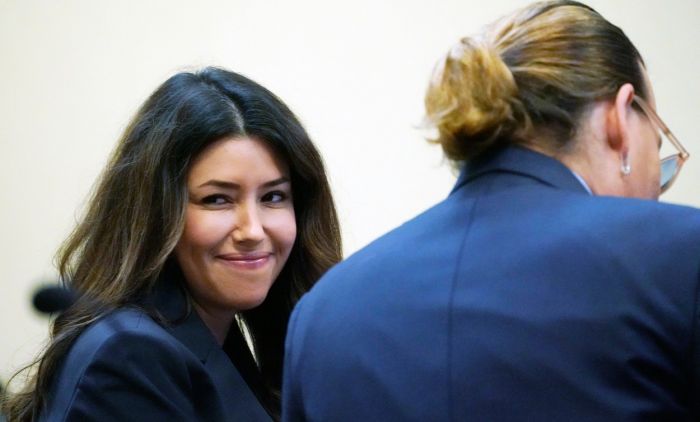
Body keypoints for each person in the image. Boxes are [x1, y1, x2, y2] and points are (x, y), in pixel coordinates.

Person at [282, 1, 700, 420]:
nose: (656, 191)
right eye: (657, 146)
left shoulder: (321, 314)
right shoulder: (681, 255)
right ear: (620, 118)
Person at [2, 67, 342, 421]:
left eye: (273, 197)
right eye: (217, 199)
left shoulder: (213, 339)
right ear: (156, 214)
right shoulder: (131, 355)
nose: (253, 230)